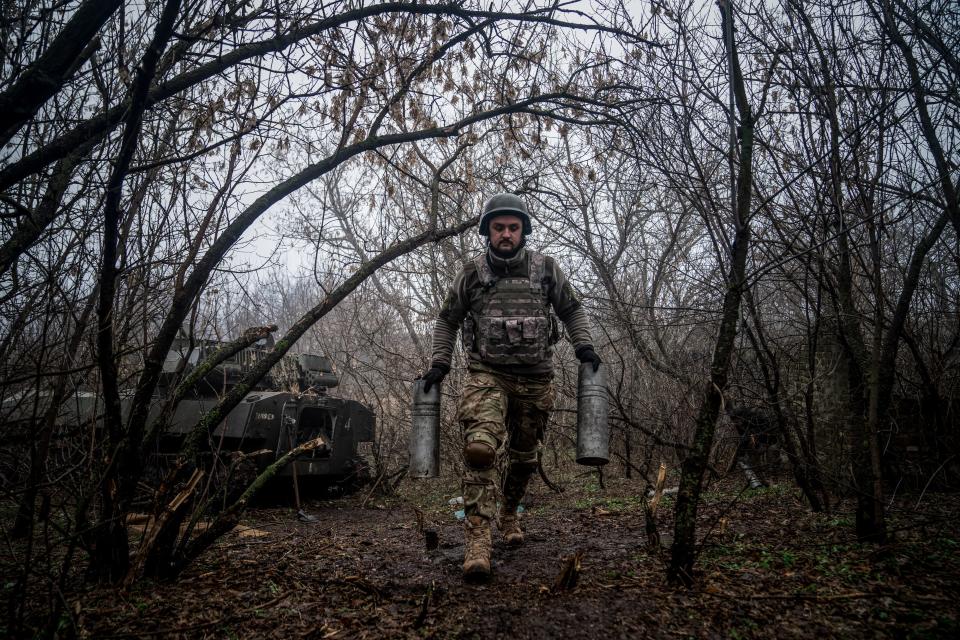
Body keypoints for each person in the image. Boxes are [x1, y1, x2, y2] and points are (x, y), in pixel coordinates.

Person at [419, 192, 601, 580]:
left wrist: (584, 345)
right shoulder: (472, 274)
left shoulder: (546, 269)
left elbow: (572, 308)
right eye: (498, 227)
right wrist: (440, 363)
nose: (505, 234)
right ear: (488, 231)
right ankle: (477, 541)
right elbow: (446, 320)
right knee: (480, 449)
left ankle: (508, 514)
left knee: (524, 456)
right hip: (487, 373)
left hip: (536, 377)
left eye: (512, 228)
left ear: (523, 231)